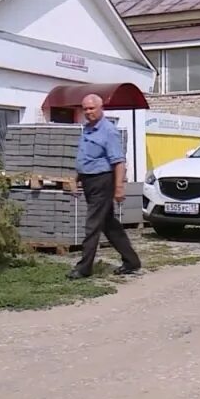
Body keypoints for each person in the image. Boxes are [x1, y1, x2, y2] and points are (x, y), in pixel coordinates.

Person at [67, 94, 143, 280]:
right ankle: (131, 261)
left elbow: (119, 162)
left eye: (91, 108)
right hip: (89, 180)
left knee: (92, 224)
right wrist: (75, 179)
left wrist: (118, 188)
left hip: (103, 180)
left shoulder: (108, 131)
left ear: (101, 108)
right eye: (85, 109)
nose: (88, 112)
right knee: (108, 224)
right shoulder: (87, 129)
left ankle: (84, 268)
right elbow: (85, 158)